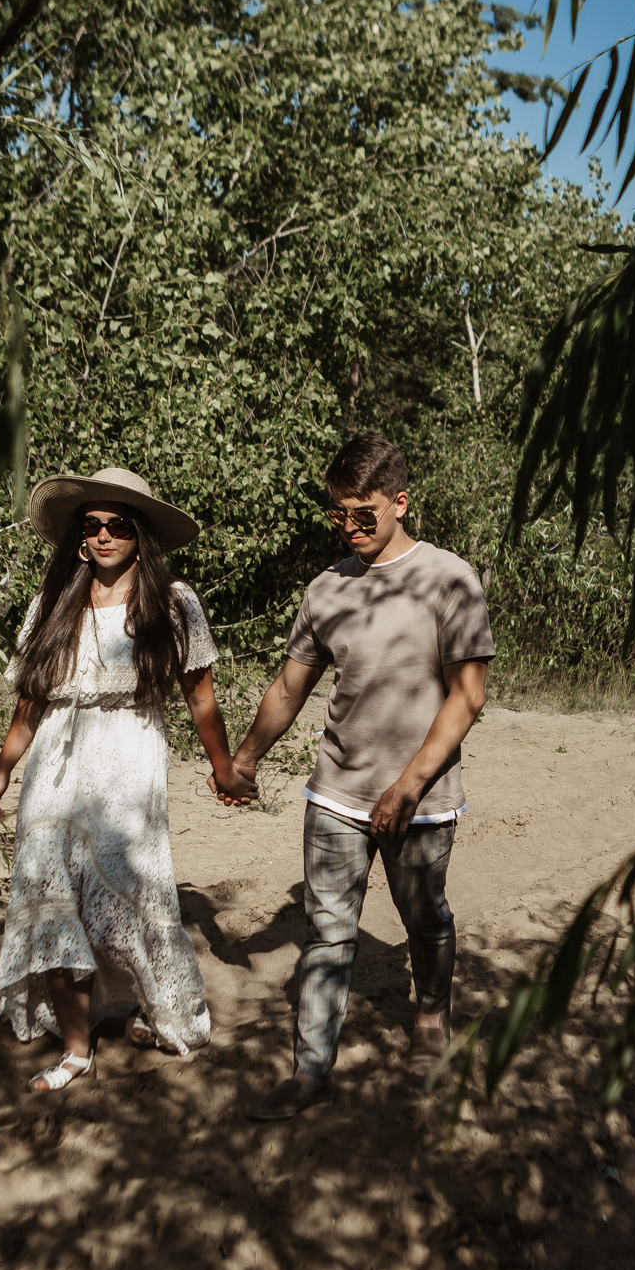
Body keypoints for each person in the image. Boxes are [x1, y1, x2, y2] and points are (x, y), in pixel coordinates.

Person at [216, 433, 494, 1120]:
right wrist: (245, 756)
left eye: (364, 513)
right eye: (340, 513)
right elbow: (290, 686)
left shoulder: (449, 579)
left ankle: (431, 1013)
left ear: (400, 502)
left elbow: (469, 696)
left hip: (421, 799)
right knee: (327, 933)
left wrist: (407, 786)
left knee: (424, 917)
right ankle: (311, 1071)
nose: (351, 526)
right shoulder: (327, 587)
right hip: (336, 792)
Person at [0, 467, 242, 1092]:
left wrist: (223, 765)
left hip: (130, 762)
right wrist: (2, 770)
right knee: (49, 892)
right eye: (91, 526)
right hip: (55, 767)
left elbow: (201, 700)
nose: (101, 536)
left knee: (132, 889)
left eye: (116, 525)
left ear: (140, 534)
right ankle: (76, 1048)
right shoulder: (53, 604)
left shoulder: (173, 602)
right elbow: (29, 706)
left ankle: (154, 1006)